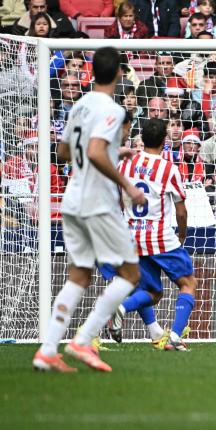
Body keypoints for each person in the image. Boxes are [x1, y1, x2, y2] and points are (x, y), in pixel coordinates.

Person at [32, 47, 144, 373]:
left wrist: (112, 152)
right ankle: (83, 341)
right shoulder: (113, 110)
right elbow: (95, 152)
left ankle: (48, 349)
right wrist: (128, 185)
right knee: (130, 274)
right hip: (98, 202)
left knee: (79, 274)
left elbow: (65, 150)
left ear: (92, 71)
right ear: (120, 73)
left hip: (72, 199)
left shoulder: (79, 105)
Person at [107, 118, 197, 352]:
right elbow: (181, 211)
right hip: (158, 236)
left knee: (153, 292)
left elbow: (118, 199)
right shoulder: (169, 168)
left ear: (142, 139)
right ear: (165, 140)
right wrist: (182, 235)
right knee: (188, 284)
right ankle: (175, 336)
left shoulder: (124, 165)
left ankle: (123, 307)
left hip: (131, 236)